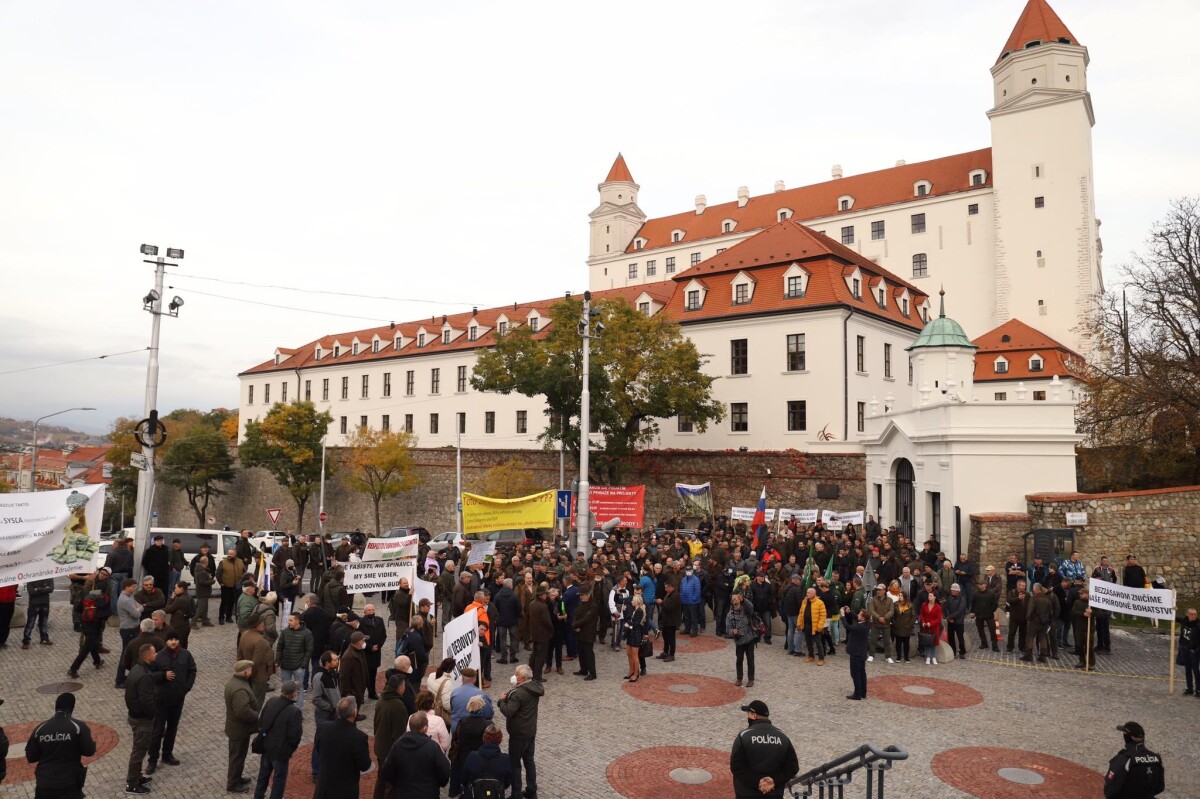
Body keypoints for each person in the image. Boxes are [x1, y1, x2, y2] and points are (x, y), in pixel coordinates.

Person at [25, 692, 96, 799]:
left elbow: (31, 757)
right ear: (72, 708)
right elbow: (89, 751)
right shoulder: (78, 727)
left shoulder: (40, 729)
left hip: (44, 784)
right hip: (68, 784)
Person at [729, 700, 799, 799]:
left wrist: (758, 782)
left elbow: (736, 766)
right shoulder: (782, 737)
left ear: (753, 715)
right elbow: (793, 767)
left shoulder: (743, 736)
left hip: (746, 793)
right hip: (774, 794)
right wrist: (774, 780)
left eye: (748, 713)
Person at [147, 631, 196, 773]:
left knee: (172, 728)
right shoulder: (159, 656)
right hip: (161, 699)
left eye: (175, 639)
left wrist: (186, 687)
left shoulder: (186, 655)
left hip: (178, 698)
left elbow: (192, 670)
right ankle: (152, 760)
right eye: (170, 640)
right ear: (166, 641)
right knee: (157, 731)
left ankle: (167, 754)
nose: (173, 642)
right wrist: (163, 675)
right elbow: (150, 674)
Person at [379, 710, 451, 799]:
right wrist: (436, 783)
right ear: (425, 728)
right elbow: (445, 771)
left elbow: (387, 770)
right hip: (427, 793)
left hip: (404, 793)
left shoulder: (398, 745)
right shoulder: (433, 747)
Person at [497, 664, 543, 799]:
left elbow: (508, 711)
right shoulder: (534, 687)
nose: (514, 676)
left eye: (516, 674)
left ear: (522, 678)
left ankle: (516, 793)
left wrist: (501, 701)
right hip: (530, 731)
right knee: (529, 762)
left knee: (515, 764)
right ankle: (531, 790)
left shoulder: (519, 693)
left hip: (518, 734)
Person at [312, 697, 372, 799]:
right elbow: (365, 765)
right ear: (354, 713)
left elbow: (318, 749)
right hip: (345, 792)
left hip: (323, 790)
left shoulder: (323, 727)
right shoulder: (359, 737)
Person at [253, 679, 303, 799]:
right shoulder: (294, 712)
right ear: (293, 694)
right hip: (280, 752)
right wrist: (290, 749)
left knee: (263, 776)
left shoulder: (271, 701)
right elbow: (295, 736)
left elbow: (261, 722)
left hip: (266, 747)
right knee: (279, 781)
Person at [125, 643, 158, 794]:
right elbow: (146, 700)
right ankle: (132, 783)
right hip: (142, 719)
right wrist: (152, 714)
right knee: (139, 752)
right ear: (147, 656)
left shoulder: (136, 669)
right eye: (154, 653)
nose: (156, 655)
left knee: (139, 750)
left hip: (135, 715)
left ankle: (137, 776)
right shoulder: (144, 675)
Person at [225, 659, 261, 793]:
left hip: (238, 729)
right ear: (246, 672)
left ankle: (237, 777)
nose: (251, 672)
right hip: (238, 729)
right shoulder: (240, 688)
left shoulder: (236, 682)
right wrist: (256, 716)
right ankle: (233, 784)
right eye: (250, 670)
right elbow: (242, 711)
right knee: (237, 757)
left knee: (239, 756)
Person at [372, 674, 411, 799]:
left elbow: (375, 724)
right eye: (404, 685)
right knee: (391, 785)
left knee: (381, 779)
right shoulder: (398, 706)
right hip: (390, 751)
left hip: (380, 746)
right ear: (399, 688)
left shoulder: (382, 699)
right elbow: (399, 735)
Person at [1104, 722, 1164, 798]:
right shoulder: (1156, 758)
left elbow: (1110, 789)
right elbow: (1160, 787)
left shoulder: (1124, 759)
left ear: (1126, 737)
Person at [450, 695, 492, 798]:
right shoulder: (488, 724)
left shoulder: (462, 722)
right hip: (482, 760)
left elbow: (456, 737)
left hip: (464, 758)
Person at [309, 650, 341, 780]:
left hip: (334, 715)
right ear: (327, 663)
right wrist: (331, 708)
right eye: (334, 660)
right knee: (320, 744)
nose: (337, 661)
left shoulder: (333, 673)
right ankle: (316, 772)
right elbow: (316, 699)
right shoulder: (319, 677)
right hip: (324, 715)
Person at [67, 585, 109, 678]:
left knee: (92, 645)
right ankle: (73, 669)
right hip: (95, 626)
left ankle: (97, 661)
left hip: (85, 625)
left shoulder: (86, 597)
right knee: (86, 649)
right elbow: (105, 614)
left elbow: (77, 609)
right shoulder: (101, 599)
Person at [462, 724, 512, 799]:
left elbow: (464, 779)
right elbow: (507, 783)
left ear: (484, 738)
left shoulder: (472, 756)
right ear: (500, 740)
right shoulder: (505, 759)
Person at [276, 612, 313, 710]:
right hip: (285, 666)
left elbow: (308, 650)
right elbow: (279, 647)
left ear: (297, 621)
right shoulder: (285, 632)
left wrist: (303, 664)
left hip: (298, 667)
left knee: (299, 689)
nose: (289, 622)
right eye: (289, 620)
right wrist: (277, 661)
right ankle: (285, 708)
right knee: (285, 688)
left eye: (291, 620)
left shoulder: (307, 633)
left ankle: (298, 709)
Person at [238, 613, 275, 705]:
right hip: (258, 677)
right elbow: (257, 662)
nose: (264, 625)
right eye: (262, 623)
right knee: (256, 703)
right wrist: (250, 674)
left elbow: (239, 655)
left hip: (248, 674)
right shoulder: (260, 641)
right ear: (257, 625)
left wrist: (242, 672)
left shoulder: (244, 634)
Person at [726, 592, 759, 688]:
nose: (734, 600)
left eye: (736, 598)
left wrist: (744, 599)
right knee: (739, 660)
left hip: (749, 638)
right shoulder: (730, 615)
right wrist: (733, 631)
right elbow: (728, 629)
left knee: (750, 660)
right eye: (733, 599)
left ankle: (751, 679)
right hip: (739, 640)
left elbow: (751, 607)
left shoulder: (746, 610)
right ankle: (739, 678)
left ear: (739, 599)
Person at [450, 667, 494, 733]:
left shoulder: (454, 692)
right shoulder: (481, 695)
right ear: (475, 680)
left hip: (457, 729)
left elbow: (452, 709)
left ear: (462, 679)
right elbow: (489, 714)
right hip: (475, 730)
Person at [359, 603, 388, 700]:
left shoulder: (379, 620)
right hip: (365, 653)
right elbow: (359, 638)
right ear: (365, 612)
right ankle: (361, 694)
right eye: (369, 610)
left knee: (373, 674)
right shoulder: (361, 622)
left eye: (372, 610)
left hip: (376, 652)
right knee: (363, 675)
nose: (371, 611)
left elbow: (383, 635)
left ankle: (372, 692)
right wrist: (369, 647)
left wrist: (378, 646)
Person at [572, 584, 600, 679]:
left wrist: (575, 625)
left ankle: (592, 673)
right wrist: (576, 625)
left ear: (587, 594)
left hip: (588, 633)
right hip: (579, 632)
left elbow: (586, 619)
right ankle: (583, 669)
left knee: (589, 653)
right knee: (581, 652)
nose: (580, 597)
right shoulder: (581, 603)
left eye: (582, 595)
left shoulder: (593, 606)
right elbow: (576, 614)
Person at [842, 608, 870, 700]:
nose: (857, 615)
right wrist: (850, 611)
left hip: (855, 652)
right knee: (862, 673)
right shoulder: (868, 624)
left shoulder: (858, 627)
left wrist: (842, 616)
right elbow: (857, 617)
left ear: (862, 618)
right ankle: (863, 692)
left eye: (859, 614)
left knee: (855, 674)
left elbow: (847, 626)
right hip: (862, 652)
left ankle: (857, 694)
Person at [21, 577, 55, 648]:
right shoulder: (31, 578)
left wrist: (38, 589)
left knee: (44, 622)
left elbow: (51, 589)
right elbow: (31, 592)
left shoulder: (49, 577)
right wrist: (44, 588)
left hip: (44, 603)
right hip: (34, 604)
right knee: (30, 623)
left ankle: (44, 638)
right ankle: (26, 641)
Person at [339, 630, 370, 707]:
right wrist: (347, 693)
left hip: (359, 688)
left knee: (357, 706)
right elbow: (343, 676)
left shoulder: (359, 651)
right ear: (359, 643)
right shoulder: (348, 657)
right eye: (363, 641)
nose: (364, 642)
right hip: (354, 691)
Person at [798, 587, 827, 665]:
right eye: (807, 592)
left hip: (815, 627)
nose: (807, 594)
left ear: (814, 594)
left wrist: (820, 626)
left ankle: (821, 659)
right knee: (808, 642)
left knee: (818, 643)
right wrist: (799, 624)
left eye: (809, 593)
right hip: (806, 626)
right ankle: (811, 656)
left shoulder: (820, 603)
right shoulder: (804, 601)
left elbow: (823, 615)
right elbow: (801, 613)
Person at [624, 593, 648, 682]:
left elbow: (635, 624)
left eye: (633, 600)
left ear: (637, 601)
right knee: (629, 654)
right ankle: (631, 670)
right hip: (630, 634)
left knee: (634, 655)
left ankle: (635, 673)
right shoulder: (634, 610)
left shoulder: (640, 611)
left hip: (636, 634)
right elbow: (628, 619)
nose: (632, 601)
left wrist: (628, 625)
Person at [217, 549, 245, 624]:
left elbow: (244, 572)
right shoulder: (223, 562)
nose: (229, 555)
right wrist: (221, 582)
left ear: (235, 554)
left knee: (232, 602)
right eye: (229, 553)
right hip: (226, 585)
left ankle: (228, 617)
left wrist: (241, 581)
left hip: (237, 585)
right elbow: (218, 573)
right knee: (224, 602)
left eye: (231, 554)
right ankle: (221, 617)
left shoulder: (240, 561)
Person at [1179, 607, 1200, 696]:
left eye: (1195, 614)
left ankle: (1198, 690)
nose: (1193, 616)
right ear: (1187, 614)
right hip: (1184, 647)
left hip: (1194, 650)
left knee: (1195, 670)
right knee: (1187, 669)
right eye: (1191, 614)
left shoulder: (1198, 624)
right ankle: (1189, 688)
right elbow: (1174, 617)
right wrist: (1174, 609)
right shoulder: (1184, 620)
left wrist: (1196, 648)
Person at [944, 583, 969, 659]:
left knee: (960, 637)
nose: (952, 591)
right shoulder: (949, 598)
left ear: (957, 591)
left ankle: (962, 652)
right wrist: (948, 617)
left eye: (953, 590)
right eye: (951, 590)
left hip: (958, 622)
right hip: (950, 621)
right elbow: (946, 607)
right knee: (950, 637)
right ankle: (953, 651)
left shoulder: (962, 599)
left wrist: (951, 617)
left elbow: (960, 611)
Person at [919, 591, 943, 665]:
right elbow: (921, 615)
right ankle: (928, 657)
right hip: (926, 626)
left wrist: (931, 623)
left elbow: (939, 619)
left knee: (934, 643)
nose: (929, 597)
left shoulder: (938, 607)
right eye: (928, 595)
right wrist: (923, 622)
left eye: (931, 595)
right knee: (927, 642)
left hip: (934, 627)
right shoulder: (924, 605)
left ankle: (934, 657)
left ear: (935, 597)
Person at [193, 555, 216, 627]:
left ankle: (205, 621)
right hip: (203, 592)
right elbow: (202, 582)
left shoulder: (199, 569)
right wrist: (212, 581)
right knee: (200, 609)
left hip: (202, 592)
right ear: (206, 562)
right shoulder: (202, 571)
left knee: (205, 608)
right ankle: (193, 623)